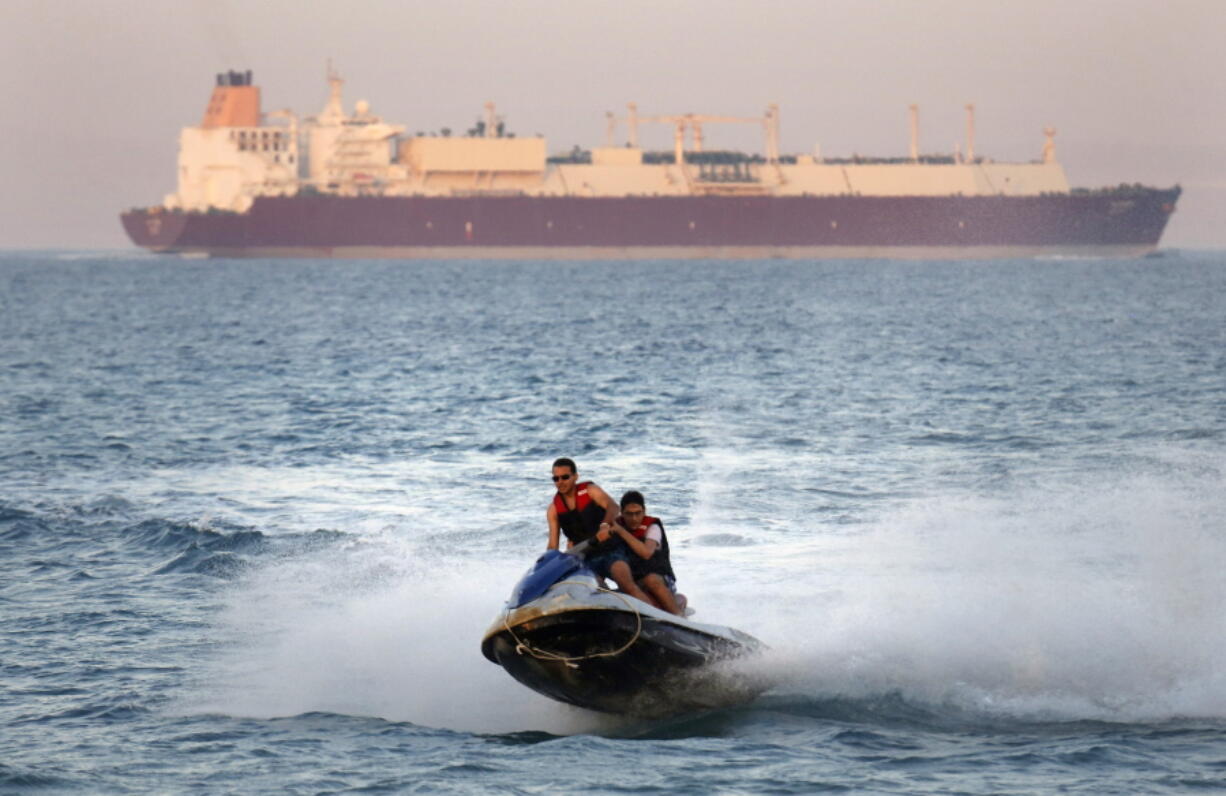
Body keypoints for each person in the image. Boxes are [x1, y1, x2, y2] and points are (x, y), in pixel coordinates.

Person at [545, 458, 655, 606]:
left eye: (565, 477)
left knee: (626, 584)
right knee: (598, 592)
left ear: (575, 477)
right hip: (585, 558)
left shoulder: (590, 491)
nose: (560, 482)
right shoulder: (553, 510)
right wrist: (545, 566)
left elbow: (613, 507)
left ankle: (659, 618)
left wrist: (604, 524)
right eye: (556, 478)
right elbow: (553, 545)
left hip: (610, 550)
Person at [604, 490, 683, 616]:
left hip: (661, 580)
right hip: (634, 583)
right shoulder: (616, 525)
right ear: (622, 513)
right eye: (629, 514)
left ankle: (679, 616)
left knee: (650, 580)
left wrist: (621, 532)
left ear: (644, 511)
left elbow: (646, 553)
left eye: (638, 513)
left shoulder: (653, 528)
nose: (634, 518)